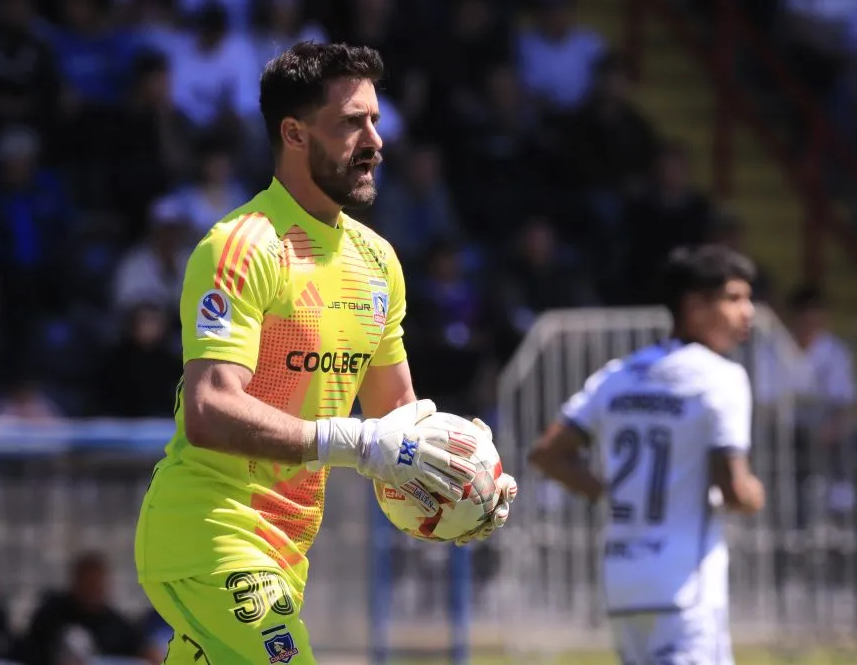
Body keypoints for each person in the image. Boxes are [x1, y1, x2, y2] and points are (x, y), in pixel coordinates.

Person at [134, 41, 517, 665]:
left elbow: (399, 418)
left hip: (286, 550)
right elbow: (208, 410)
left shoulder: (377, 261)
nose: (375, 141)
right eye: (351, 123)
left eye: (375, 120)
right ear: (293, 132)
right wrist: (358, 443)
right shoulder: (240, 246)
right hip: (209, 533)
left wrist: (466, 479)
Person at [528, 244, 764, 665]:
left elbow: (547, 453)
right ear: (693, 305)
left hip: (624, 582)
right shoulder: (722, 378)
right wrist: (755, 493)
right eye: (734, 298)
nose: (749, 312)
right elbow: (734, 490)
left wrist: (610, 494)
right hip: (685, 588)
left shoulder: (618, 375)